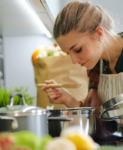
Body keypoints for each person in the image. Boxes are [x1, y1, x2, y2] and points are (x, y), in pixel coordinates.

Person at [41, 1, 123, 140]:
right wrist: (68, 99)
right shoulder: (97, 67)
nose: (74, 61)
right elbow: (103, 125)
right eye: (68, 53)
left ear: (99, 33)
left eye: (78, 49)